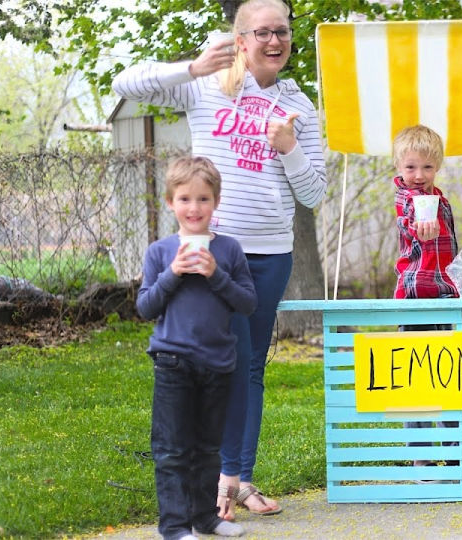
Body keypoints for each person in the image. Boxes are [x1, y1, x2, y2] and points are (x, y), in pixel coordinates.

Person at [113, 0, 327, 519]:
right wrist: (189, 67)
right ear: (240, 38)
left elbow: (314, 192)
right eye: (262, 32)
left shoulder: (301, 107)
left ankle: (239, 480)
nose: (274, 42)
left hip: (270, 254)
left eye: (282, 31)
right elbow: (125, 83)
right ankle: (208, 485)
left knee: (250, 367)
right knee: (208, 364)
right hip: (211, 251)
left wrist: (289, 148)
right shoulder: (205, 82)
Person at [136, 156, 257, 540]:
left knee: (208, 448)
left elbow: (247, 303)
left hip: (218, 362)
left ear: (215, 203)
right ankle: (173, 526)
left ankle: (205, 518)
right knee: (173, 450)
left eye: (203, 199)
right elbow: (145, 307)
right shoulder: (159, 252)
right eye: (185, 199)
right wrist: (173, 273)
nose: (194, 208)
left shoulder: (230, 251)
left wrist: (214, 274)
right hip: (172, 362)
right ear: (170, 202)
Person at [391, 124, 460, 467]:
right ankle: (422, 457)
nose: (418, 175)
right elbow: (408, 221)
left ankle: (454, 451)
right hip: (415, 296)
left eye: (427, 167)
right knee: (417, 377)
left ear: (438, 166)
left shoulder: (441, 199)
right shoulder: (406, 198)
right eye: (410, 167)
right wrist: (420, 226)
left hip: (444, 296)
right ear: (398, 167)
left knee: (449, 374)